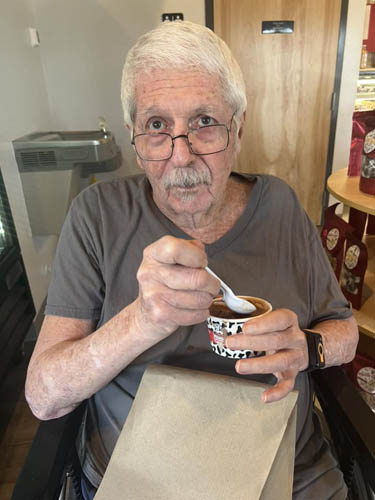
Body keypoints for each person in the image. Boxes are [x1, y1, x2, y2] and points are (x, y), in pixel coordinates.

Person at [25, 20, 358, 499]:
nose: (181, 157)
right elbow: (43, 395)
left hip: (284, 467)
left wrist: (307, 347)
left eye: (204, 122)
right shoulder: (97, 217)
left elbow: (343, 331)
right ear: (135, 141)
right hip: (144, 474)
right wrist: (140, 321)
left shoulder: (281, 206)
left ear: (238, 129)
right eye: (158, 127)